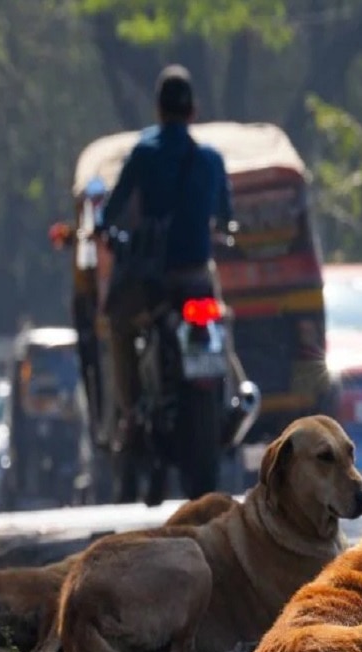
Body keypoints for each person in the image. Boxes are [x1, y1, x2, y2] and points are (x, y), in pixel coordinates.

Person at [96, 63, 244, 454]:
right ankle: (236, 392)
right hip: (197, 274)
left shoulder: (144, 153)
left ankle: (129, 414)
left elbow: (112, 209)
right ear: (193, 111)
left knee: (120, 325)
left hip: (152, 281)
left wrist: (102, 227)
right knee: (221, 326)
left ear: (158, 110)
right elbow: (227, 217)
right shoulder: (210, 160)